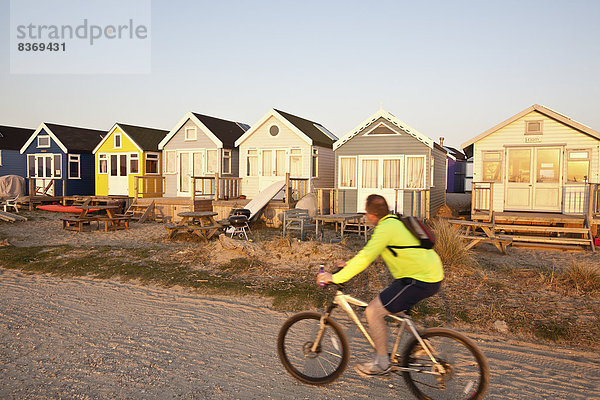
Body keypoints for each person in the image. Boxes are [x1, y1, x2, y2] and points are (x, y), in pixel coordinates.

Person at [317, 194, 444, 376]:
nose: (366, 217)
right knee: (397, 309)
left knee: (372, 311)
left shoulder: (385, 228)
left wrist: (335, 277)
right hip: (423, 275)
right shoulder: (393, 222)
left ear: (372, 215)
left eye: (366, 214)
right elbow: (376, 253)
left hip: (420, 279)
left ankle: (382, 363)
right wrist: (349, 265)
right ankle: (422, 344)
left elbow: (366, 257)